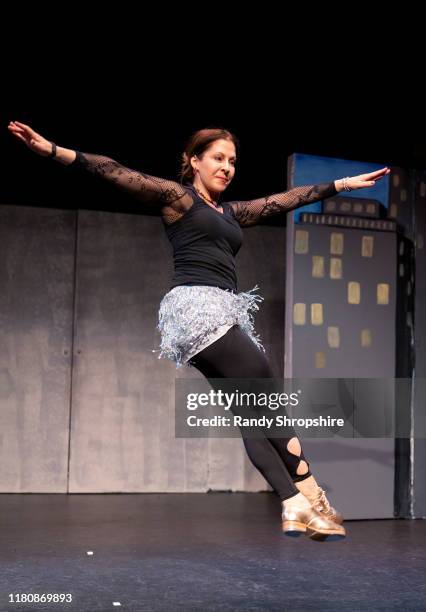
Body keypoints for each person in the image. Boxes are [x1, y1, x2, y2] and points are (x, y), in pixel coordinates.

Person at [8, 120, 390, 541]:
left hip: (212, 316)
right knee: (272, 402)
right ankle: (315, 497)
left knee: (251, 414)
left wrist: (340, 184)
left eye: (232, 161)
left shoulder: (230, 212)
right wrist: (54, 151)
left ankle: (292, 502)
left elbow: (283, 200)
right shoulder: (178, 199)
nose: (227, 167)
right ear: (194, 161)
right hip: (199, 308)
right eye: (218, 158)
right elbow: (115, 171)